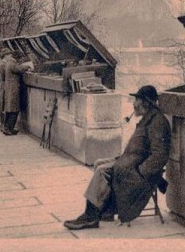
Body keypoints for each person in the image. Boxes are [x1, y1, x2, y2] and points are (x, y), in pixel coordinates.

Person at [64, 85, 171, 230]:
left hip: (137, 171)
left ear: (145, 102)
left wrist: (141, 172)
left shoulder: (157, 122)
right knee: (99, 163)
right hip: (130, 163)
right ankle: (106, 211)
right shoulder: (148, 118)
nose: (134, 103)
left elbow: (160, 155)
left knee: (102, 171)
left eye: (137, 100)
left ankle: (90, 216)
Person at [2, 50, 32, 136]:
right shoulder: (12, 63)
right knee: (14, 109)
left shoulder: (9, 63)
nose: (21, 60)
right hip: (13, 89)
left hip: (10, 88)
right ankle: (9, 129)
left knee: (9, 109)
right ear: (17, 57)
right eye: (20, 58)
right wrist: (28, 66)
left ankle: (7, 128)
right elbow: (19, 69)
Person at [0, 48, 12, 131]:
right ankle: (4, 126)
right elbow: (3, 77)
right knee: (4, 106)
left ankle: (3, 125)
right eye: (9, 55)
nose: (10, 56)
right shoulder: (3, 65)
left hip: (3, 85)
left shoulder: (1, 63)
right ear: (6, 56)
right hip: (4, 86)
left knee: (3, 105)